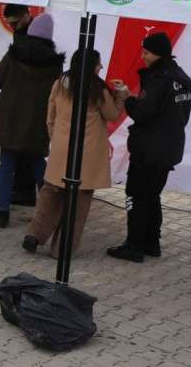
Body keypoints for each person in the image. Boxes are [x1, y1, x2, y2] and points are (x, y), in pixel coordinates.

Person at [23, 49, 125, 257]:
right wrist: (121, 95)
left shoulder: (60, 83)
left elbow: (50, 115)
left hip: (61, 149)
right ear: (91, 66)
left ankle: (34, 235)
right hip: (87, 155)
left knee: (50, 193)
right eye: (99, 63)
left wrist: (57, 138)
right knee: (78, 203)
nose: (102, 67)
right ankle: (61, 250)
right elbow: (112, 114)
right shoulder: (98, 89)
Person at [108, 32, 191, 262]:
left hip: (148, 150)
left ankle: (134, 246)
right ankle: (152, 243)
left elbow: (142, 114)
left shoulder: (158, 80)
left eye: (145, 52)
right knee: (152, 196)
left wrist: (127, 97)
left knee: (136, 195)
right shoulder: (182, 77)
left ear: (157, 53)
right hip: (169, 149)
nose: (143, 57)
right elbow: (180, 114)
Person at [0, 13, 64, 228]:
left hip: (10, 119)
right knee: (39, 165)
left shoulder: (15, 54)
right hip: (37, 121)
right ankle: (52, 212)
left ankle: (2, 214)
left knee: (6, 166)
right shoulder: (55, 63)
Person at [2, 4, 42, 207]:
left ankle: (28, 193)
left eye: (16, 22)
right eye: (11, 24)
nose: (14, 27)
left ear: (27, 15)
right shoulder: (22, 32)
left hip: (32, 101)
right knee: (22, 152)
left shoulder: (38, 36)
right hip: (23, 101)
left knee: (29, 153)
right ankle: (19, 188)